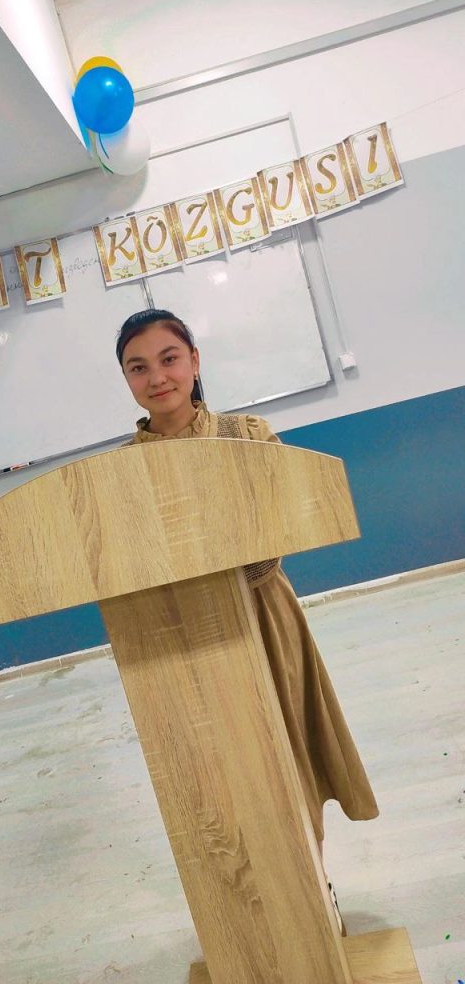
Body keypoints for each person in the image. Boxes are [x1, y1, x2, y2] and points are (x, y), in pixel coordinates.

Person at [116, 308, 379, 935]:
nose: (157, 377)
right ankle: (252, 917)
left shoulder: (247, 433)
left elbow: (281, 525)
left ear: (195, 361)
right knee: (216, 773)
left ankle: (314, 899)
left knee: (287, 755)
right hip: (180, 639)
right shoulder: (123, 469)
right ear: (125, 379)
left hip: (262, 614)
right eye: (138, 367)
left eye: (169, 358)